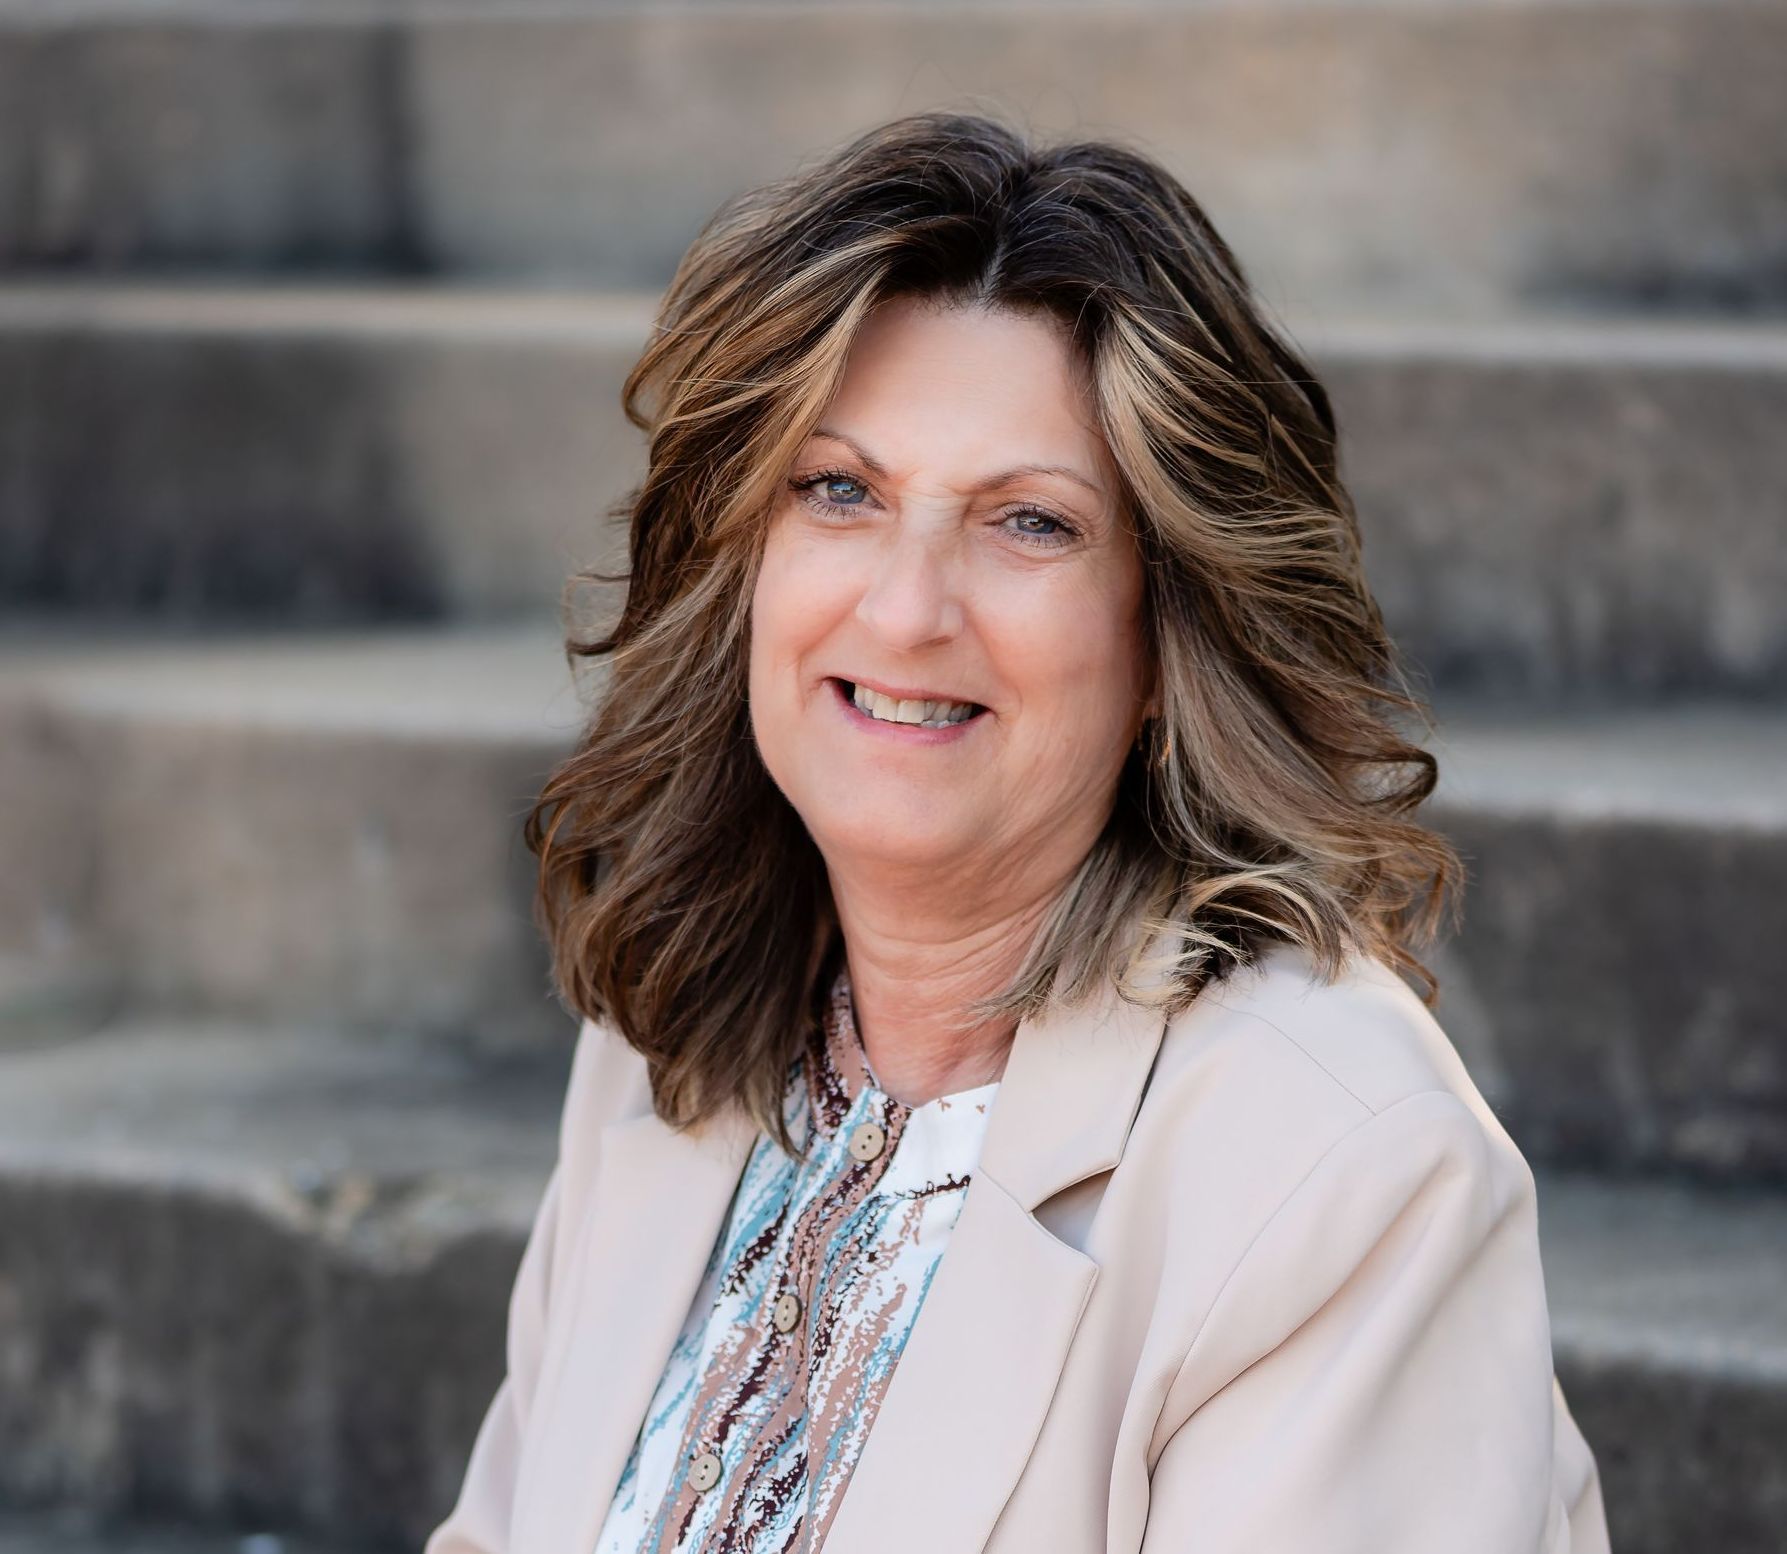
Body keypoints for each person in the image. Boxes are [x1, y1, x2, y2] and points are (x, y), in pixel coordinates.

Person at [425, 112, 1610, 1553]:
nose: (908, 608)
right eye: (840, 491)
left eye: (1029, 523)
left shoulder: (1342, 1172)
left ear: (1170, 637)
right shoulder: (669, 1041)